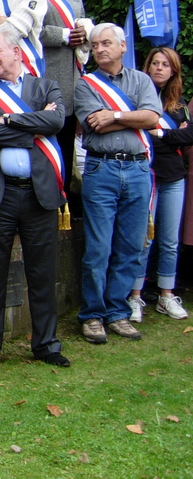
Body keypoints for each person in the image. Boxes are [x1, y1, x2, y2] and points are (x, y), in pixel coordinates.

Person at [0, 26, 70, 372]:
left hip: (39, 194)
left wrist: (9, 118)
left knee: (42, 273)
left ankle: (46, 344)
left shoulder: (44, 86)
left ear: (16, 52)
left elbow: (56, 121)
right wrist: (31, 129)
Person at [74, 24, 161, 344]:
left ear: (123, 46)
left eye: (107, 43)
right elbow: (91, 123)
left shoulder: (141, 80)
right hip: (102, 169)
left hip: (138, 169)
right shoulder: (86, 84)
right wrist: (129, 115)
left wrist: (113, 116)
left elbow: (153, 118)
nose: (100, 49)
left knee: (130, 246)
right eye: (95, 45)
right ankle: (93, 315)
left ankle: (118, 312)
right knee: (98, 248)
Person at [127, 47, 192, 321]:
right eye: (155, 63)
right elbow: (142, 135)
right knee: (144, 239)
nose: (159, 68)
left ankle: (166, 295)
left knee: (169, 240)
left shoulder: (179, 105)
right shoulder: (137, 99)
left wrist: (161, 133)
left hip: (174, 178)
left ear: (174, 70)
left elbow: (188, 137)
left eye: (166, 64)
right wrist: (170, 134)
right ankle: (135, 296)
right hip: (147, 175)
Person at [30, 0, 92, 196]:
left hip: (73, 74)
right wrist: (65, 35)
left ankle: (64, 197)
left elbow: (82, 21)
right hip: (45, 73)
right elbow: (30, 29)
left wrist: (85, 32)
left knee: (67, 139)